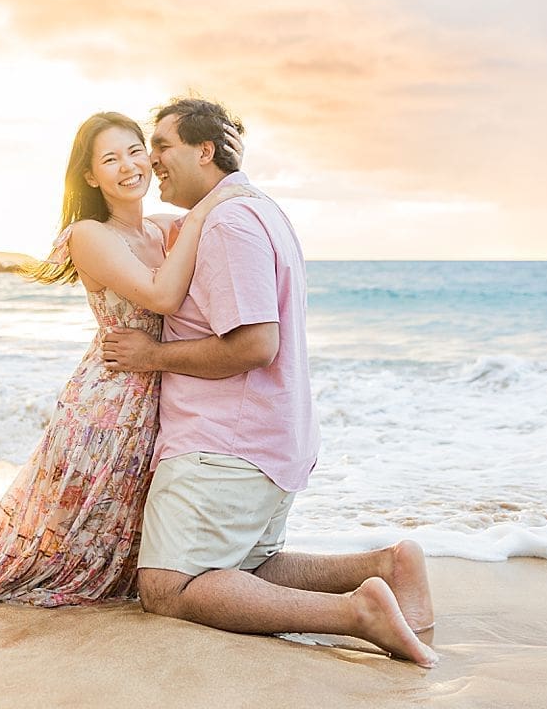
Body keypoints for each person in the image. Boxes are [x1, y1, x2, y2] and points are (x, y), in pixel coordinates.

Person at [0, 111, 249, 610]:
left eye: (134, 151)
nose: (129, 166)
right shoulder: (90, 234)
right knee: (66, 535)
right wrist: (210, 207)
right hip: (108, 399)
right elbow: (161, 296)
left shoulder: (164, 229)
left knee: (113, 532)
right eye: (110, 158)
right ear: (90, 176)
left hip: (156, 391)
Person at [100, 98, 438, 667]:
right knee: (243, 569)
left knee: (167, 587)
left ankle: (356, 614)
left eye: (162, 145)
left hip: (223, 445)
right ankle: (386, 567)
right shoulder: (255, 210)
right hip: (264, 439)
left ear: (205, 150)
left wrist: (153, 354)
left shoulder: (230, 222)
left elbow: (256, 345)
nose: (152, 159)